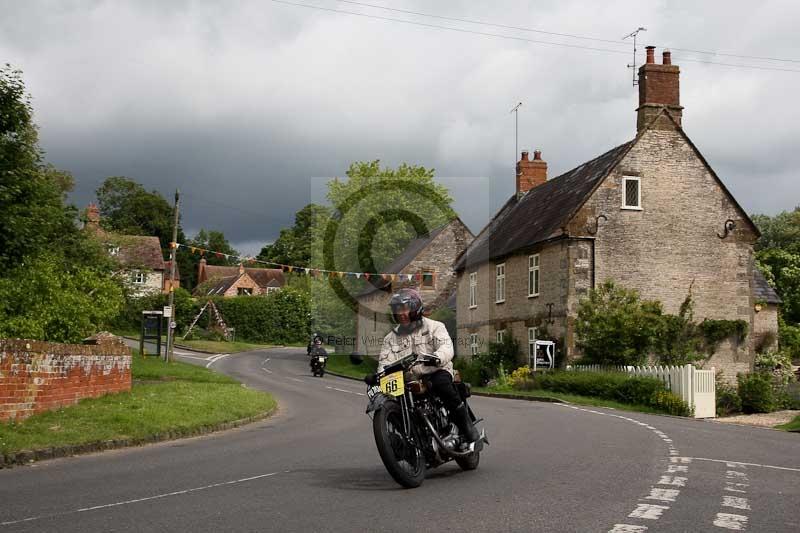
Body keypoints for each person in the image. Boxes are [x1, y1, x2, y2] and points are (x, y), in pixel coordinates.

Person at [378, 288, 481, 450]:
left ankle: (467, 429)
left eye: (405, 308)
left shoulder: (435, 327)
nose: (401, 313)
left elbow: (446, 346)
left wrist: (438, 357)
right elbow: (384, 361)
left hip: (434, 371)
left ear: (415, 308)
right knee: (390, 399)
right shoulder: (390, 339)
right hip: (408, 379)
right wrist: (379, 374)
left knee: (442, 385)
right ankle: (407, 441)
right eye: (398, 310)